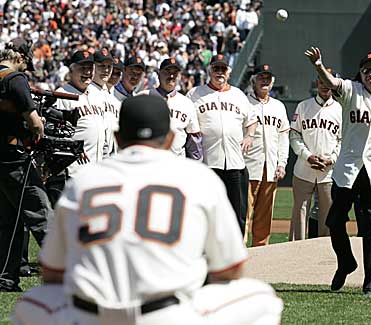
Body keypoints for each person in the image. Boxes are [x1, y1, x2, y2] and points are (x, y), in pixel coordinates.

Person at [12, 95, 283, 325]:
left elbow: (53, 273)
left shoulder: (84, 180)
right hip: (166, 315)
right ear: (169, 139)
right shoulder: (198, 178)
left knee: (31, 303)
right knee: (262, 299)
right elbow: (231, 269)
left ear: (118, 137)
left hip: (91, 317)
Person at [304, 47, 371, 296]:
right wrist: (319, 65)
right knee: (334, 221)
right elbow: (332, 82)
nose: (370, 74)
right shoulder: (352, 91)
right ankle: (346, 262)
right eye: (365, 70)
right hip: (348, 168)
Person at [0, 38, 52, 292]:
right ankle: (68, 275)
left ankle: (6, 278)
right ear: (20, 57)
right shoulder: (15, 79)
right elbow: (34, 122)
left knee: (8, 221)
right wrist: (39, 129)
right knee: (41, 213)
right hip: (13, 157)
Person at [187, 54, 257, 236]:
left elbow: (251, 120)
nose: (219, 72)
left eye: (223, 69)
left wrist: (249, 135)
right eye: (216, 68)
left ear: (229, 72)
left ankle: (238, 253)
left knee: (238, 213)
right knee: (208, 212)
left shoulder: (238, 95)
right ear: (209, 71)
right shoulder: (195, 94)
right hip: (208, 163)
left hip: (235, 163)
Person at [289, 70, 342, 240]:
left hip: (329, 171)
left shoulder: (341, 109)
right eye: (321, 81)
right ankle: (295, 252)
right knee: (299, 213)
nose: (325, 85)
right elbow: (294, 135)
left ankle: (324, 253)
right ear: (317, 83)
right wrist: (307, 155)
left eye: (328, 82)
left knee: (327, 217)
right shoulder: (303, 106)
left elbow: (343, 140)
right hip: (304, 168)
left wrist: (332, 159)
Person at [244, 64, 290, 246]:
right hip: (248, 165)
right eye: (261, 77)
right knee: (244, 212)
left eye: (268, 78)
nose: (265, 81)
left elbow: (283, 137)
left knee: (265, 215)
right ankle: (240, 250)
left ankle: (261, 251)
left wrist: (282, 163)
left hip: (270, 167)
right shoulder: (243, 102)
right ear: (253, 80)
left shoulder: (278, 106)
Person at [55, 50, 107, 179]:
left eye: (90, 68)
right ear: (71, 71)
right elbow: (54, 134)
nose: (87, 72)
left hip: (98, 168)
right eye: (82, 68)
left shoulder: (97, 94)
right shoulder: (61, 95)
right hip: (74, 169)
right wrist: (72, 148)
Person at [139, 58, 203, 159]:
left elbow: (194, 140)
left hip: (176, 165)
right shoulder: (142, 97)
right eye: (167, 72)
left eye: (175, 73)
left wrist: (196, 166)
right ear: (159, 74)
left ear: (180, 76)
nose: (171, 76)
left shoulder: (187, 103)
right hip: (148, 163)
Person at [88, 48, 120, 157]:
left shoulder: (112, 98)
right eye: (102, 66)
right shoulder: (86, 92)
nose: (106, 70)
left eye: (109, 67)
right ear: (93, 67)